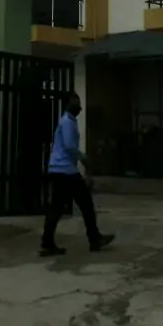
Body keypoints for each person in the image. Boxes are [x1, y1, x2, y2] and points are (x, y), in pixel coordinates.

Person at [40, 91, 113, 256]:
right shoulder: (67, 122)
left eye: (79, 103)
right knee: (85, 204)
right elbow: (69, 146)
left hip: (61, 170)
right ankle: (94, 238)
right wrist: (83, 158)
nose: (78, 106)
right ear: (68, 104)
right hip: (65, 171)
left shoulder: (69, 121)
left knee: (57, 207)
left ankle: (47, 242)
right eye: (75, 103)